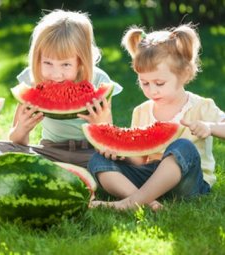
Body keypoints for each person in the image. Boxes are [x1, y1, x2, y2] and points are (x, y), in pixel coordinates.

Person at [88, 23, 225, 211]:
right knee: (97, 160)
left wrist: (210, 127)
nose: (152, 90)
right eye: (144, 83)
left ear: (184, 74)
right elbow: (139, 160)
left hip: (188, 183)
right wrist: (120, 153)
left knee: (183, 147)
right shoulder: (141, 111)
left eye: (159, 83)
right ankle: (148, 202)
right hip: (149, 178)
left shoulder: (202, 106)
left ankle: (129, 203)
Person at [0, 9, 122, 168]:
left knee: (113, 160)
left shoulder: (99, 80)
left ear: (81, 60)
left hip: (90, 154)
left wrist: (100, 126)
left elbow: (105, 146)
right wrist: (22, 129)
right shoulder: (32, 78)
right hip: (49, 152)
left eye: (65, 64)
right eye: (47, 63)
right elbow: (17, 141)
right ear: (37, 58)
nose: (56, 74)